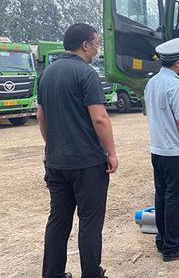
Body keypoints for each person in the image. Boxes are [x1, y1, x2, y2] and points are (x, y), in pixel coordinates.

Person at [38, 23, 119, 278]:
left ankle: (52, 274)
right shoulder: (86, 73)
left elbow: (41, 115)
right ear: (85, 44)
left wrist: (53, 144)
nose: (97, 48)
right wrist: (112, 153)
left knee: (58, 220)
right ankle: (92, 274)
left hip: (56, 161)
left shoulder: (47, 74)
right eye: (96, 42)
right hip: (87, 164)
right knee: (90, 223)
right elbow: (100, 119)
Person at [144, 37, 179, 262]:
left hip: (157, 151)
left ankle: (162, 240)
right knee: (176, 199)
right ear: (178, 62)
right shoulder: (176, 85)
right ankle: (173, 247)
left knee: (162, 196)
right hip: (175, 153)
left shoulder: (152, 83)